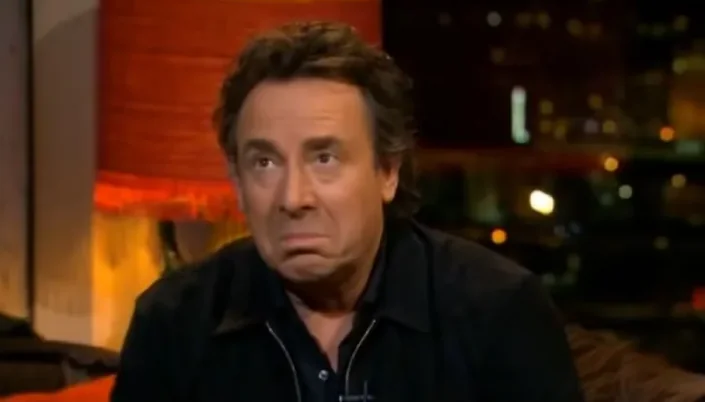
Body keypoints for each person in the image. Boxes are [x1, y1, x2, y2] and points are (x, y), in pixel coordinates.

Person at [110, 21, 584, 402]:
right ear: (236, 181)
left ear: (387, 171)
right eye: (265, 163)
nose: (293, 198)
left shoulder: (498, 311)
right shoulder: (174, 322)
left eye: (324, 158)